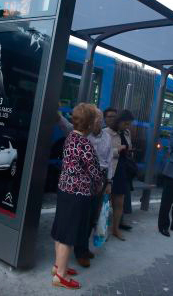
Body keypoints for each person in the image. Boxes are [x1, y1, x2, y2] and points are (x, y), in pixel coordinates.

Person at [51, 103, 103, 290]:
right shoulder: (85, 144)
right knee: (68, 235)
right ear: (89, 125)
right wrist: (99, 186)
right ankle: (60, 276)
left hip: (64, 189)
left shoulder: (70, 137)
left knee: (60, 229)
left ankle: (58, 265)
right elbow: (95, 172)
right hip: (78, 193)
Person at [73, 108, 114, 267]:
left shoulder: (107, 137)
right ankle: (79, 250)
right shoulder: (84, 136)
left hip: (101, 178)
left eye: (100, 118)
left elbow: (110, 160)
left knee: (92, 217)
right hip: (86, 178)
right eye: (96, 118)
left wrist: (109, 182)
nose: (99, 121)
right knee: (83, 215)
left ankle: (84, 247)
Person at [104, 109, 134, 240]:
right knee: (104, 202)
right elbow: (103, 153)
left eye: (129, 124)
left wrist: (128, 150)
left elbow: (129, 146)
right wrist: (117, 150)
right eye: (126, 123)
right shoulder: (106, 133)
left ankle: (115, 229)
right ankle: (99, 228)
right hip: (110, 170)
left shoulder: (127, 133)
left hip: (122, 170)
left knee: (119, 202)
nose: (127, 126)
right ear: (119, 121)